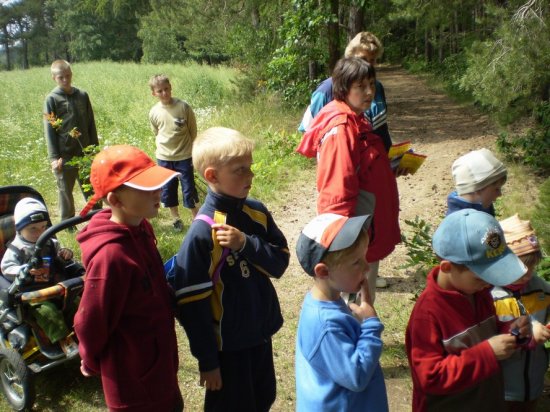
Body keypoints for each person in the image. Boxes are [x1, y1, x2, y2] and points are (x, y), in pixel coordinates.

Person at [171, 127, 289, 412]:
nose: (250, 176)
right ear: (212, 176)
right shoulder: (202, 233)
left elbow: (280, 261)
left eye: (250, 167)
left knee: (263, 397)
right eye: (240, 170)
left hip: (259, 333)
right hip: (227, 346)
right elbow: (191, 305)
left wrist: (245, 243)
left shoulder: (256, 212)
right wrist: (208, 362)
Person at [74, 145, 183, 412]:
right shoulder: (110, 257)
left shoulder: (141, 226)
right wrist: (89, 359)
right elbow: (91, 320)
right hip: (132, 383)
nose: (158, 193)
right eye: (146, 189)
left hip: (160, 367)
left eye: (156, 185)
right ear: (115, 200)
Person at [406, 208, 531, 411]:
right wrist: (487, 354)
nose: (489, 282)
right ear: (447, 267)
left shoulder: (477, 291)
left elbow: (488, 330)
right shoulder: (427, 315)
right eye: (481, 276)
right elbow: (429, 378)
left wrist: (511, 330)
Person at [297, 57, 400, 302]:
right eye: (361, 86)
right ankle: (353, 336)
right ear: (343, 89)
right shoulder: (341, 127)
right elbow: (337, 189)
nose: (369, 92)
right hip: (355, 230)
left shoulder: (356, 118)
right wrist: (344, 243)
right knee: (353, 294)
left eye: (372, 85)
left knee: (361, 290)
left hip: (364, 226)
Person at [295, 213, 388, 411]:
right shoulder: (326, 324)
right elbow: (356, 377)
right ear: (323, 272)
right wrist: (371, 326)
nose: (367, 268)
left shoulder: (327, 300)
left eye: (364, 257)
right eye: (356, 262)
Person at [1, 197, 76, 352]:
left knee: (78, 302)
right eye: (33, 229)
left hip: (56, 286)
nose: (40, 233)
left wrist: (64, 254)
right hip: (33, 294)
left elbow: (59, 260)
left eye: (43, 227)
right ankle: (65, 340)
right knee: (48, 313)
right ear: (19, 228)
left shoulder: (51, 242)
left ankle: (86, 329)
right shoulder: (16, 249)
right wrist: (23, 270)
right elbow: (6, 268)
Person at [491, 214, 550, 412]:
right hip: (502, 387)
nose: (527, 273)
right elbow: (490, 339)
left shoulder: (539, 287)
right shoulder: (490, 296)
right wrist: (528, 335)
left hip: (533, 383)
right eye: (521, 266)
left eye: (532, 265)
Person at [299, 32, 392, 153]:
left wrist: (392, 162)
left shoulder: (377, 88)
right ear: (349, 57)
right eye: (363, 59)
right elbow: (309, 132)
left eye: (372, 60)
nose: (368, 65)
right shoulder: (326, 90)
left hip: (375, 165)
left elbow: (381, 131)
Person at [43, 59, 99, 224]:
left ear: (71, 74)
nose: (66, 80)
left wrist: (94, 150)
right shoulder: (51, 99)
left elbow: (90, 123)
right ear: (54, 78)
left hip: (84, 152)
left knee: (92, 187)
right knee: (65, 191)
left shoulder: (82, 95)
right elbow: (50, 129)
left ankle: (97, 217)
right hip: (64, 155)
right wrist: (54, 158)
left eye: (68, 76)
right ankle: (67, 223)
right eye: (61, 77)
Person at [149, 74, 199, 231]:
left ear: (171, 88)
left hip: (184, 156)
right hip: (164, 157)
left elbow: (192, 130)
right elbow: (156, 132)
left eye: (166, 89)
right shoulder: (154, 112)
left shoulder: (183, 107)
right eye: (160, 91)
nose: (164, 93)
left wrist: (190, 150)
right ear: (154, 94)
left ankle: (196, 218)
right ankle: (176, 219)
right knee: (168, 190)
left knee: (188, 188)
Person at [446, 148, 507, 216]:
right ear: (477, 189)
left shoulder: (483, 202)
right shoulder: (459, 221)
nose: (500, 194)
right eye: (496, 189)